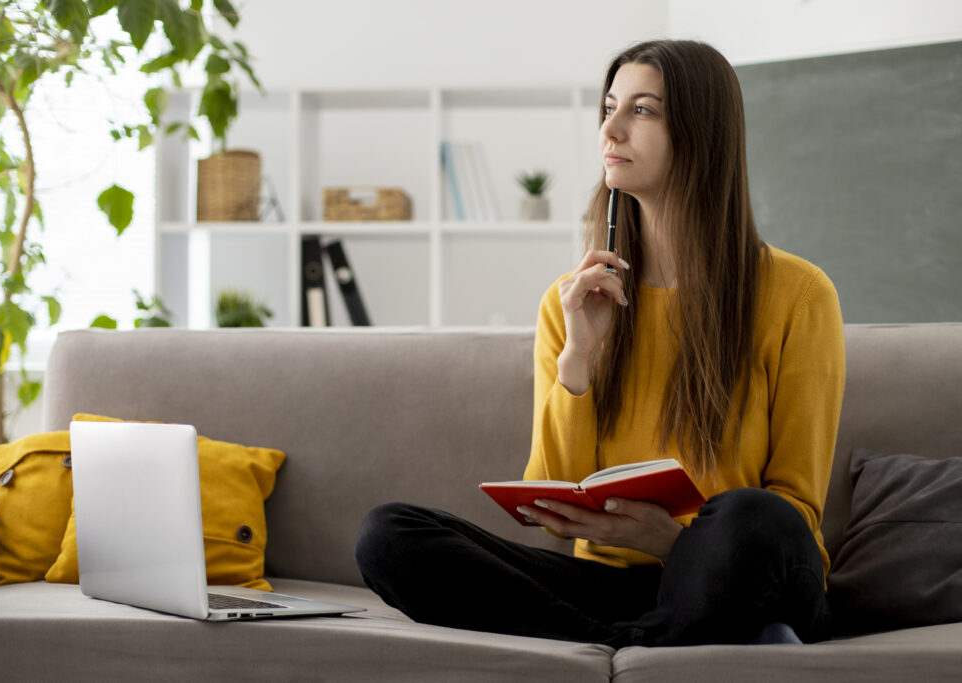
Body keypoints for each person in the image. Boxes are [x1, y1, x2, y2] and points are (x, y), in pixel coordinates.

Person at [355, 39, 845, 647]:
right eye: (609, 107)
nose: (610, 129)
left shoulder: (799, 295)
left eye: (641, 111)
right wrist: (578, 360)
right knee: (389, 535)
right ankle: (634, 643)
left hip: (743, 571)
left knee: (751, 515)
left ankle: (625, 642)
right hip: (614, 584)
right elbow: (553, 498)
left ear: (701, 133)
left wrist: (671, 541)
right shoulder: (574, 301)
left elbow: (795, 509)